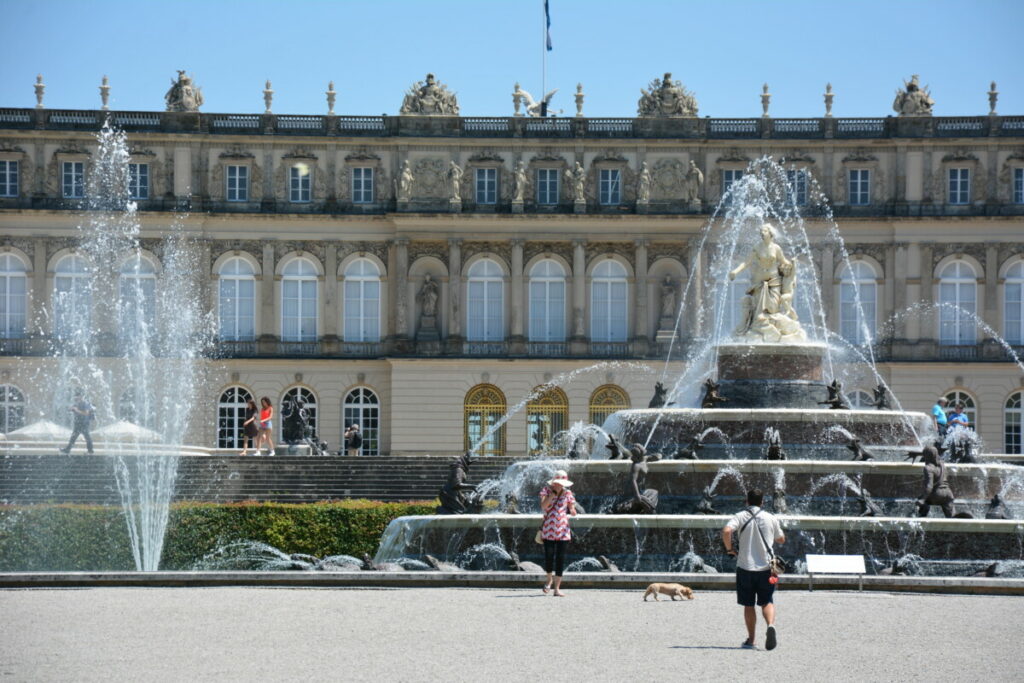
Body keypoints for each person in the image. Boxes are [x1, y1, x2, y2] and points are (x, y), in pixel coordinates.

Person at [722, 488, 786, 651]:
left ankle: (751, 641)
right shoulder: (770, 517)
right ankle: (771, 625)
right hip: (766, 568)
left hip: (745, 567)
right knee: (767, 601)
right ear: (762, 502)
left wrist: (730, 549)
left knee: (748, 605)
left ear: (747, 501)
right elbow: (781, 539)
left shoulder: (740, 516)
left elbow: (727, 530)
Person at [538, 469, 577, 597]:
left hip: (563, 530)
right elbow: (544, 506)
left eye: (562, 483)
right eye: (558, 482)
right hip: (549, 529)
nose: (560, 485)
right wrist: (553, 494)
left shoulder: (568, 493)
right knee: (549, 556)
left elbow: (571, 507)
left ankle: (557, 588)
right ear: (554, 482)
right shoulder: (546, 491)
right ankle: (549, 580)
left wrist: (572, 511)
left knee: (560, 558)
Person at [60, 390, 94, 455]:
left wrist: (77, 410)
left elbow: (86, 413)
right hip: (78, 423)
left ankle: (90, 450)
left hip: (84, 423)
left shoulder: (85, 403)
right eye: (76, 396)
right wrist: (71, 409)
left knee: (87, 437)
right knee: (74, 437)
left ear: (82, 396)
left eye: (78, 396)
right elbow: (73, 410)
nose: (77, 398)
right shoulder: (77, 403)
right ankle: (67, 450)